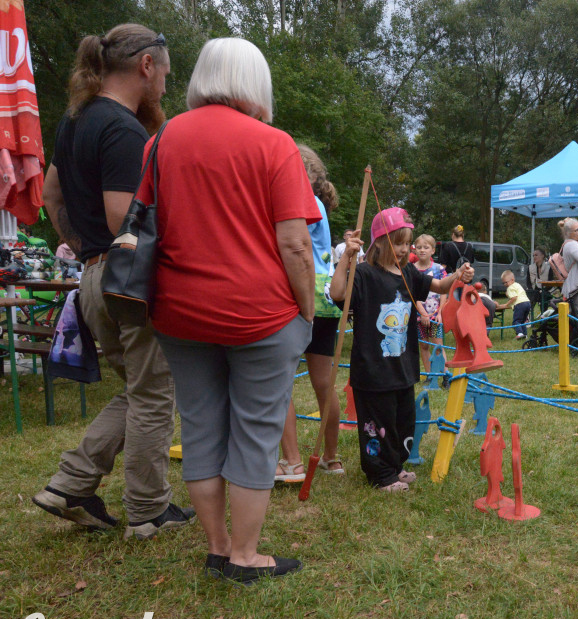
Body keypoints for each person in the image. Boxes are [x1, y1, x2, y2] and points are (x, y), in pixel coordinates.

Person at [140, 38, 321, 584]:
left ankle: (217, 546)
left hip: (179, 312)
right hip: (260, 315)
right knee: (256, 430)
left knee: (199, 426)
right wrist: (307, 313)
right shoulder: (274, 144)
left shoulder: (162, 141)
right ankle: (245, 555)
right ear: (255, 82)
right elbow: (294, 243)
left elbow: (145, 222)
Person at [32, 24, 194, 540]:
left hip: (95, 278)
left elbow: (51, 195)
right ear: (146, 66)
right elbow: (122, 214)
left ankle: (72, 483)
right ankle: (148, 511)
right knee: (154, 395)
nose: (166, 85)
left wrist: (83, 251)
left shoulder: (75, 121)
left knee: (137, 390)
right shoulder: (123, 129)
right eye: (165, 73)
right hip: (128, 282)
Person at [329, 208, 474, 492]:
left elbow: (440, 285)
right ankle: (380, 475)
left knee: (401, 421)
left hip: (403, 366)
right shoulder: (365, 274)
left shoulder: (408, 272)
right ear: (379, 242)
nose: (405, 249)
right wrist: (346, 258)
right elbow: (337, 294)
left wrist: (458, 274)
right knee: (377, 424)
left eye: (408, 243)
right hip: (372, 368)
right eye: (399, 243)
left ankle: (395, 466)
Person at [276, 144, 344, 484]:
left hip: (301, 291)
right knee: (323, 380)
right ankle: (332, 457)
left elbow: (292, 245)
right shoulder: (317, 203)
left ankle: (291, 461)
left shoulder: (302, 202)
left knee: (282, 381)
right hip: (325, 295)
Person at [412, 233, 446, 371]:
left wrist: (440, 312)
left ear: (432, 250)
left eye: (426, 247)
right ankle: (429, 374)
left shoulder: (439, 269)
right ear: (414, 249)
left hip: (435, 315)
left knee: (438, 345)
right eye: (419, 247)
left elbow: (444, 291)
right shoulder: (411, 269)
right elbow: (412, 294)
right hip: (419, 316)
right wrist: (423, 314)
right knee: (424, 346)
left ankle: (444, 373)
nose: (422, 250)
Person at [496, 270, 531, 339]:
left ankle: (520, 333)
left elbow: (514, 298)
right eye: (503, 283)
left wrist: (507, 304)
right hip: (527, 303)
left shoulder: (510, 288)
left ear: (512, 280)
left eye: (506, 282)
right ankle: (525, 335)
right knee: (522, 321)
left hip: (520, 304)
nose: (505, 285)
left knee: (516, 321)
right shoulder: (517, 285)